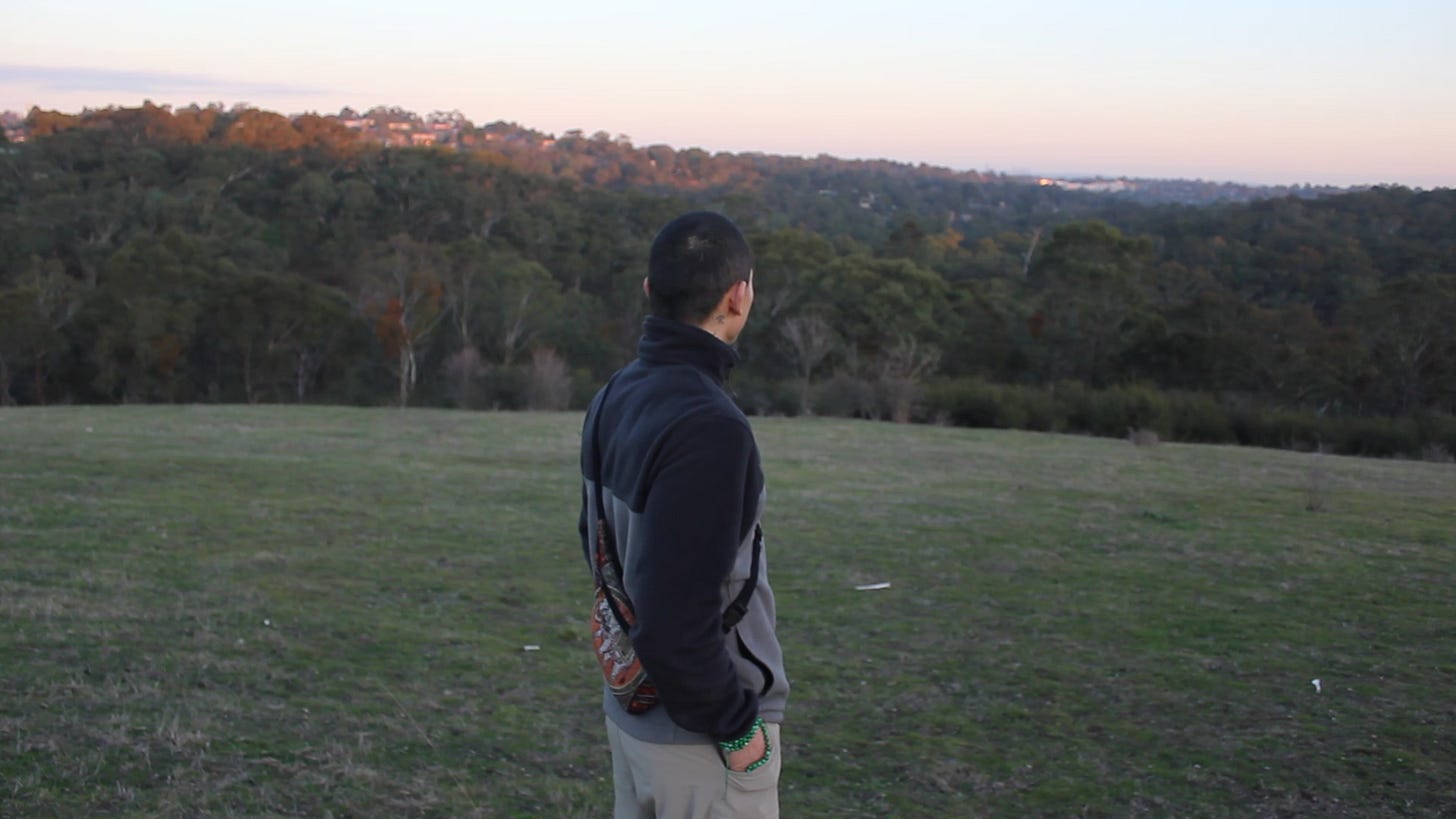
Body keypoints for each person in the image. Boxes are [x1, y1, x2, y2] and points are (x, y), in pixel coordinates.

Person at [579, 211, 789, 818]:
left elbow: (598, 552)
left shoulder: (615, 392)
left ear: (651, 290)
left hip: (635, 716)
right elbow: (676, 620)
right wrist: (740, 734)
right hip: (698, 744)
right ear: (738, 296)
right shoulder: (710, 428)